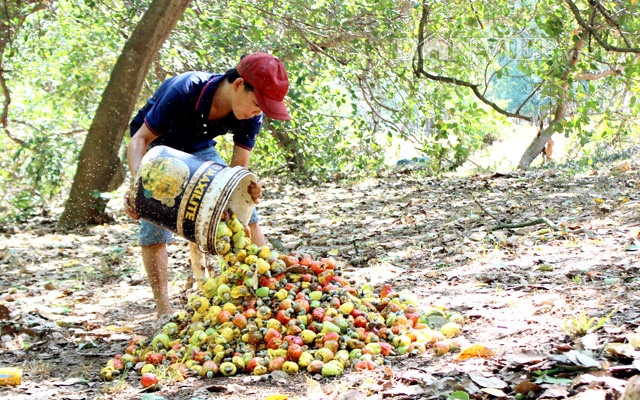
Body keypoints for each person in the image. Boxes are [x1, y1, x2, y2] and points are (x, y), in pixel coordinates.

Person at [123, 52, 290, 319]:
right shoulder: (185, 89)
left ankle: (265, 290)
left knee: (245, 212)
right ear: (237, 85)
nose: (257, 112)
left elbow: (239, 170)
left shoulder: (250, 114)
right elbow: (139, 140)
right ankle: (164, 312)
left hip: (200, 148)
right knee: (152, 222)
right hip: (158, 147)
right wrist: (137, 187)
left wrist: (247, 190)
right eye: (257, 104)